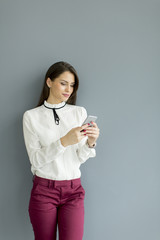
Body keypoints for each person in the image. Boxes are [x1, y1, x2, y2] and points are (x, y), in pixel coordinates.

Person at [22, 61, 100, 240]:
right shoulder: (31, 117)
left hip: (73, 190)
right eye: (63, 83)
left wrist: (91, 143)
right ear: (49, 82)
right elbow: (36, 160)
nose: (68, 89)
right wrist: (64, 141)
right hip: (44, 191)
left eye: (72, 85)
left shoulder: (79, 113)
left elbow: (78, 158)